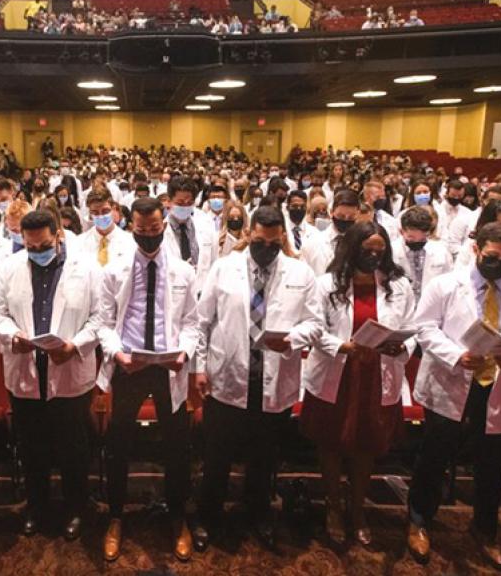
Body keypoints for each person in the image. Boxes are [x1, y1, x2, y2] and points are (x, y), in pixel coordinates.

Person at [191, 207, 322, 551]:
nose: (266, 248)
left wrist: (292, 338)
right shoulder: (223, 268)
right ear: (249, 235)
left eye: (273, 243)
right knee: (217, 457)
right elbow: (203, 322)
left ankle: (259, 515)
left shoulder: (300, 273)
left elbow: (315, 323)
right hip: (227, 377)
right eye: (259, 242)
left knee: (264, 458)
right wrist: (200, 368)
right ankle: (207, 516)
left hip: (273, 377)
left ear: (281, 239)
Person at [408, 222, 501, 571]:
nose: (500, 264)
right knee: (435, 455)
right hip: (452, 379)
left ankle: (485, 529)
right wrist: (456, 354)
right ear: (476, 249)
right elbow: (423, 327)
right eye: (492, 257)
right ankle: (419, 520)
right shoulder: (445, 285)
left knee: (492, 461)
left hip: (500, 383)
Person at [97, 197, 199, 562]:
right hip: (130, 365)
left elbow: (191, 322)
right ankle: (115, 516)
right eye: (141, 231)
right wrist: (118, 354)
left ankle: (178, 518)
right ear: (131, 228)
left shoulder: (184, 272)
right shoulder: (115, 270)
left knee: (177, 447)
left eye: (155, 230)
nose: (149, 236)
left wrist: (184, 352)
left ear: (164, 225)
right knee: (118, 444)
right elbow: (104, 324)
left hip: (169, 364)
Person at [0, 210, 101, 540]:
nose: (38, 253)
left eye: (45, 246)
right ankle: (36, 507)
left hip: (68, 368)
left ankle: (76, 508)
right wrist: (12, 336)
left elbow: (101, 318)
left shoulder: (87, 269)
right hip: (25, 369)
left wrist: (75, 345)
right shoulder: (9, 268)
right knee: (31, 447)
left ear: (59, 237)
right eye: (31, 247)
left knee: (73, 448)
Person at [302, 221, 415, 547]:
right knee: (331, 442)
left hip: (378, 373)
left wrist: (401, 345)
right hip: (339, 370)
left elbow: (412, 326)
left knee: (367, 444)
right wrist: (341, 345)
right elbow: (312, 325)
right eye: (367, 251)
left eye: (380, 251)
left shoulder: (399, 285)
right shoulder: (327, 284)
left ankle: (357, 509)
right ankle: (333, 507)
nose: (374, 256)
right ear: (352, 250)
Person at [163, 176, 218, 292]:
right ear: (169, 200)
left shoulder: (206, 223)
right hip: (173, 294)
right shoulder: (161, 230)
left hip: (202, 292)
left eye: (189, 203)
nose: (185, 206)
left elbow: (214, 261)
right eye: (180, 203)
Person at [392, 207, 453, 306]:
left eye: (422, 239)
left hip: (432, 308)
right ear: (401, 231)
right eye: (411, 238)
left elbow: (449, 284)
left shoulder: (441, 251)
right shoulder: (391, 251)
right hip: (401, 308)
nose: (417, 242)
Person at [302, 189, 360, 275]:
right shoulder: (312, 242)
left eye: (351, 217)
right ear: (331, 212)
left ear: (358, 214)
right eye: (341, 216)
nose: (345, 220)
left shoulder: (362, 244)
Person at [76, 188, 134, 267]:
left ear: (113, 208)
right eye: (95, 212)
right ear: (90, 213)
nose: (101, 216)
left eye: (105, 211)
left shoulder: (130, 242)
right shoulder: (78, 243)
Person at [285, 190, 316, 254]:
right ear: (287, 208)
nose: (299, 209)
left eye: (302, 207)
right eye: (295, 206)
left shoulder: (314, 232)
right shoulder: (281, 229)